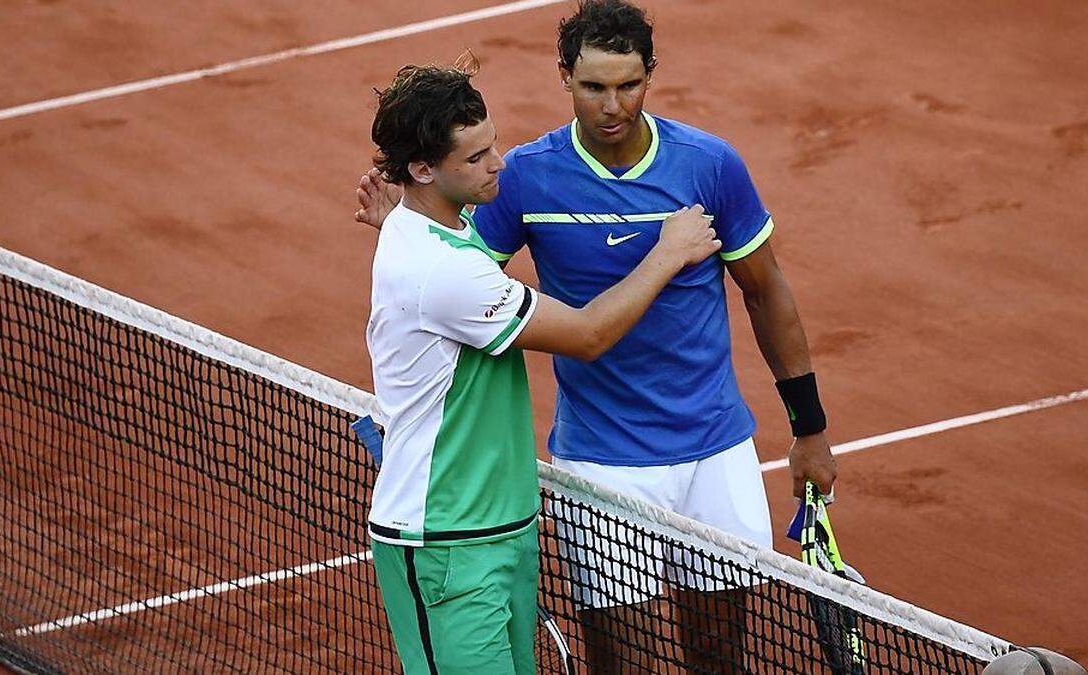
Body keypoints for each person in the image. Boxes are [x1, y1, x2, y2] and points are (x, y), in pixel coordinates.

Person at [357, 2, 838, 671]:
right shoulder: (525, 175)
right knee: (622, 660)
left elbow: (766, 291)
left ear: (650, 76)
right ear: (564, 77)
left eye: (628, 84)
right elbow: (456, 276)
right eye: (592, 87)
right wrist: (405, 223)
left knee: (723, 654)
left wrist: (808, 426)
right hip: (601, 462)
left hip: (715, 452)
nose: (612, 105)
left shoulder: (709, 165)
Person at [363, 61, 720, 674]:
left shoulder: (439, 227)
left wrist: (401, 208)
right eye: (475, 158)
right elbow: (587, 334)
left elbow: (438, 244)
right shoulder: (442, 269)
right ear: (423, 169)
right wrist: (669, 252)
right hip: (445, 542)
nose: (498, 163)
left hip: (503, 528)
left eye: (493, 145)